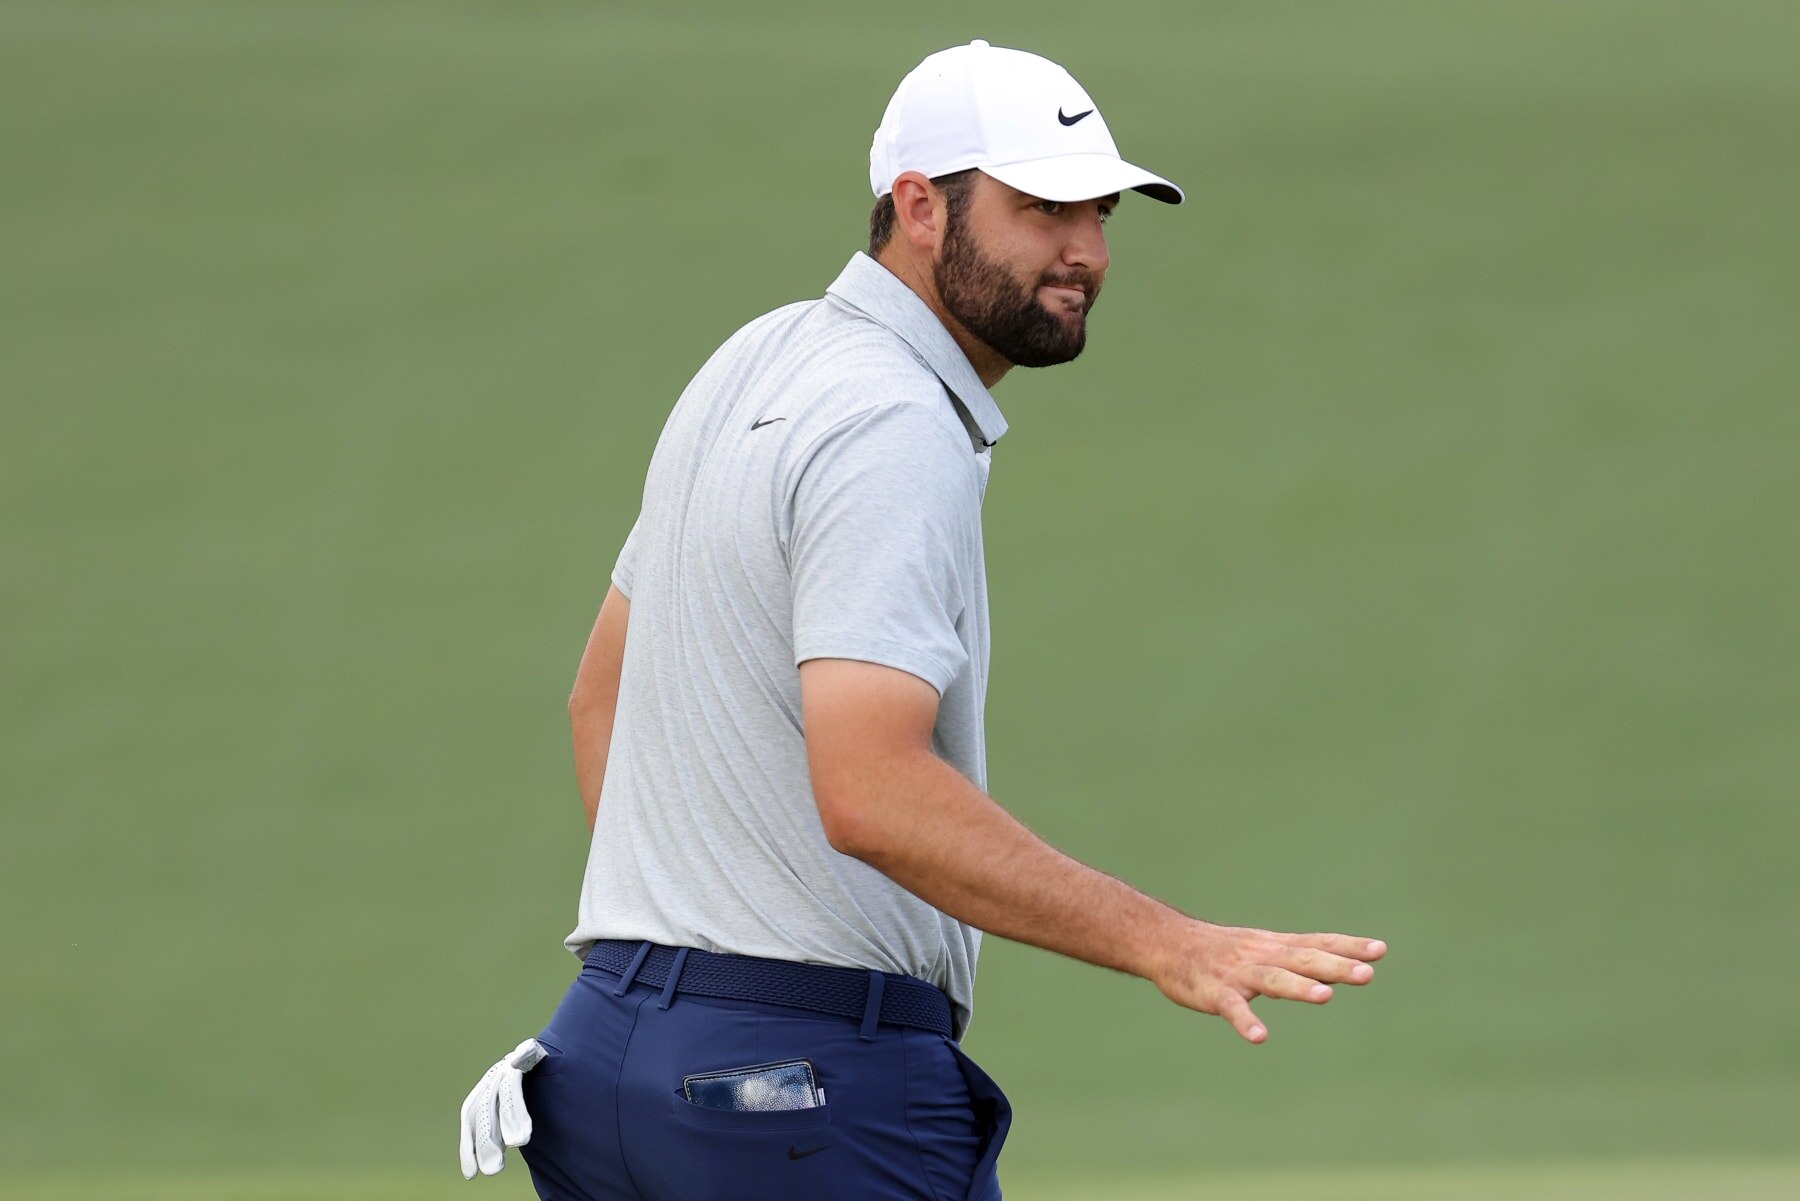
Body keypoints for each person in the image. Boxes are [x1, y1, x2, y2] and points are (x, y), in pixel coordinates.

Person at [458, 39, 1386, 1201]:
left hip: (606, 1062)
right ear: (918, 208)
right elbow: (872, 791)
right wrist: (1172, 942)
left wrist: (683, 964)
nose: (1086, 253)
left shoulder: (753, 360)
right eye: (1042, 208)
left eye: (1100, 213)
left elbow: (600, 696)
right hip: (794, 1099)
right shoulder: (892, 418)